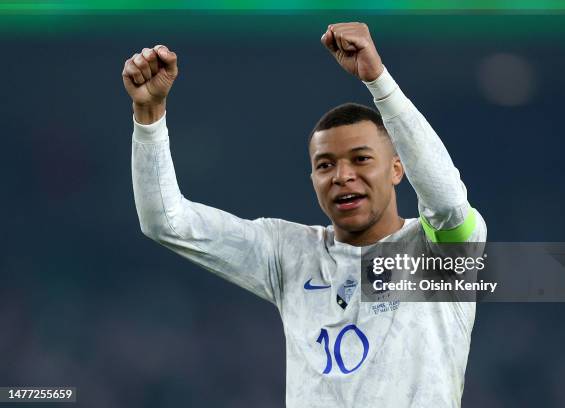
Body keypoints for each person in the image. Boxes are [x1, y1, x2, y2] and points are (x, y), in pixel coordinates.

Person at [123, 22, 486, 408]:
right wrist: (149, 114)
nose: (343, 175)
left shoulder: (439, 254)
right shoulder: (288, 253)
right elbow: (166, 221)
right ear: (312, 179)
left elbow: (446, 200)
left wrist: (379, 81)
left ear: (398, 169)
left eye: (361, 159)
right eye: (326, 165)